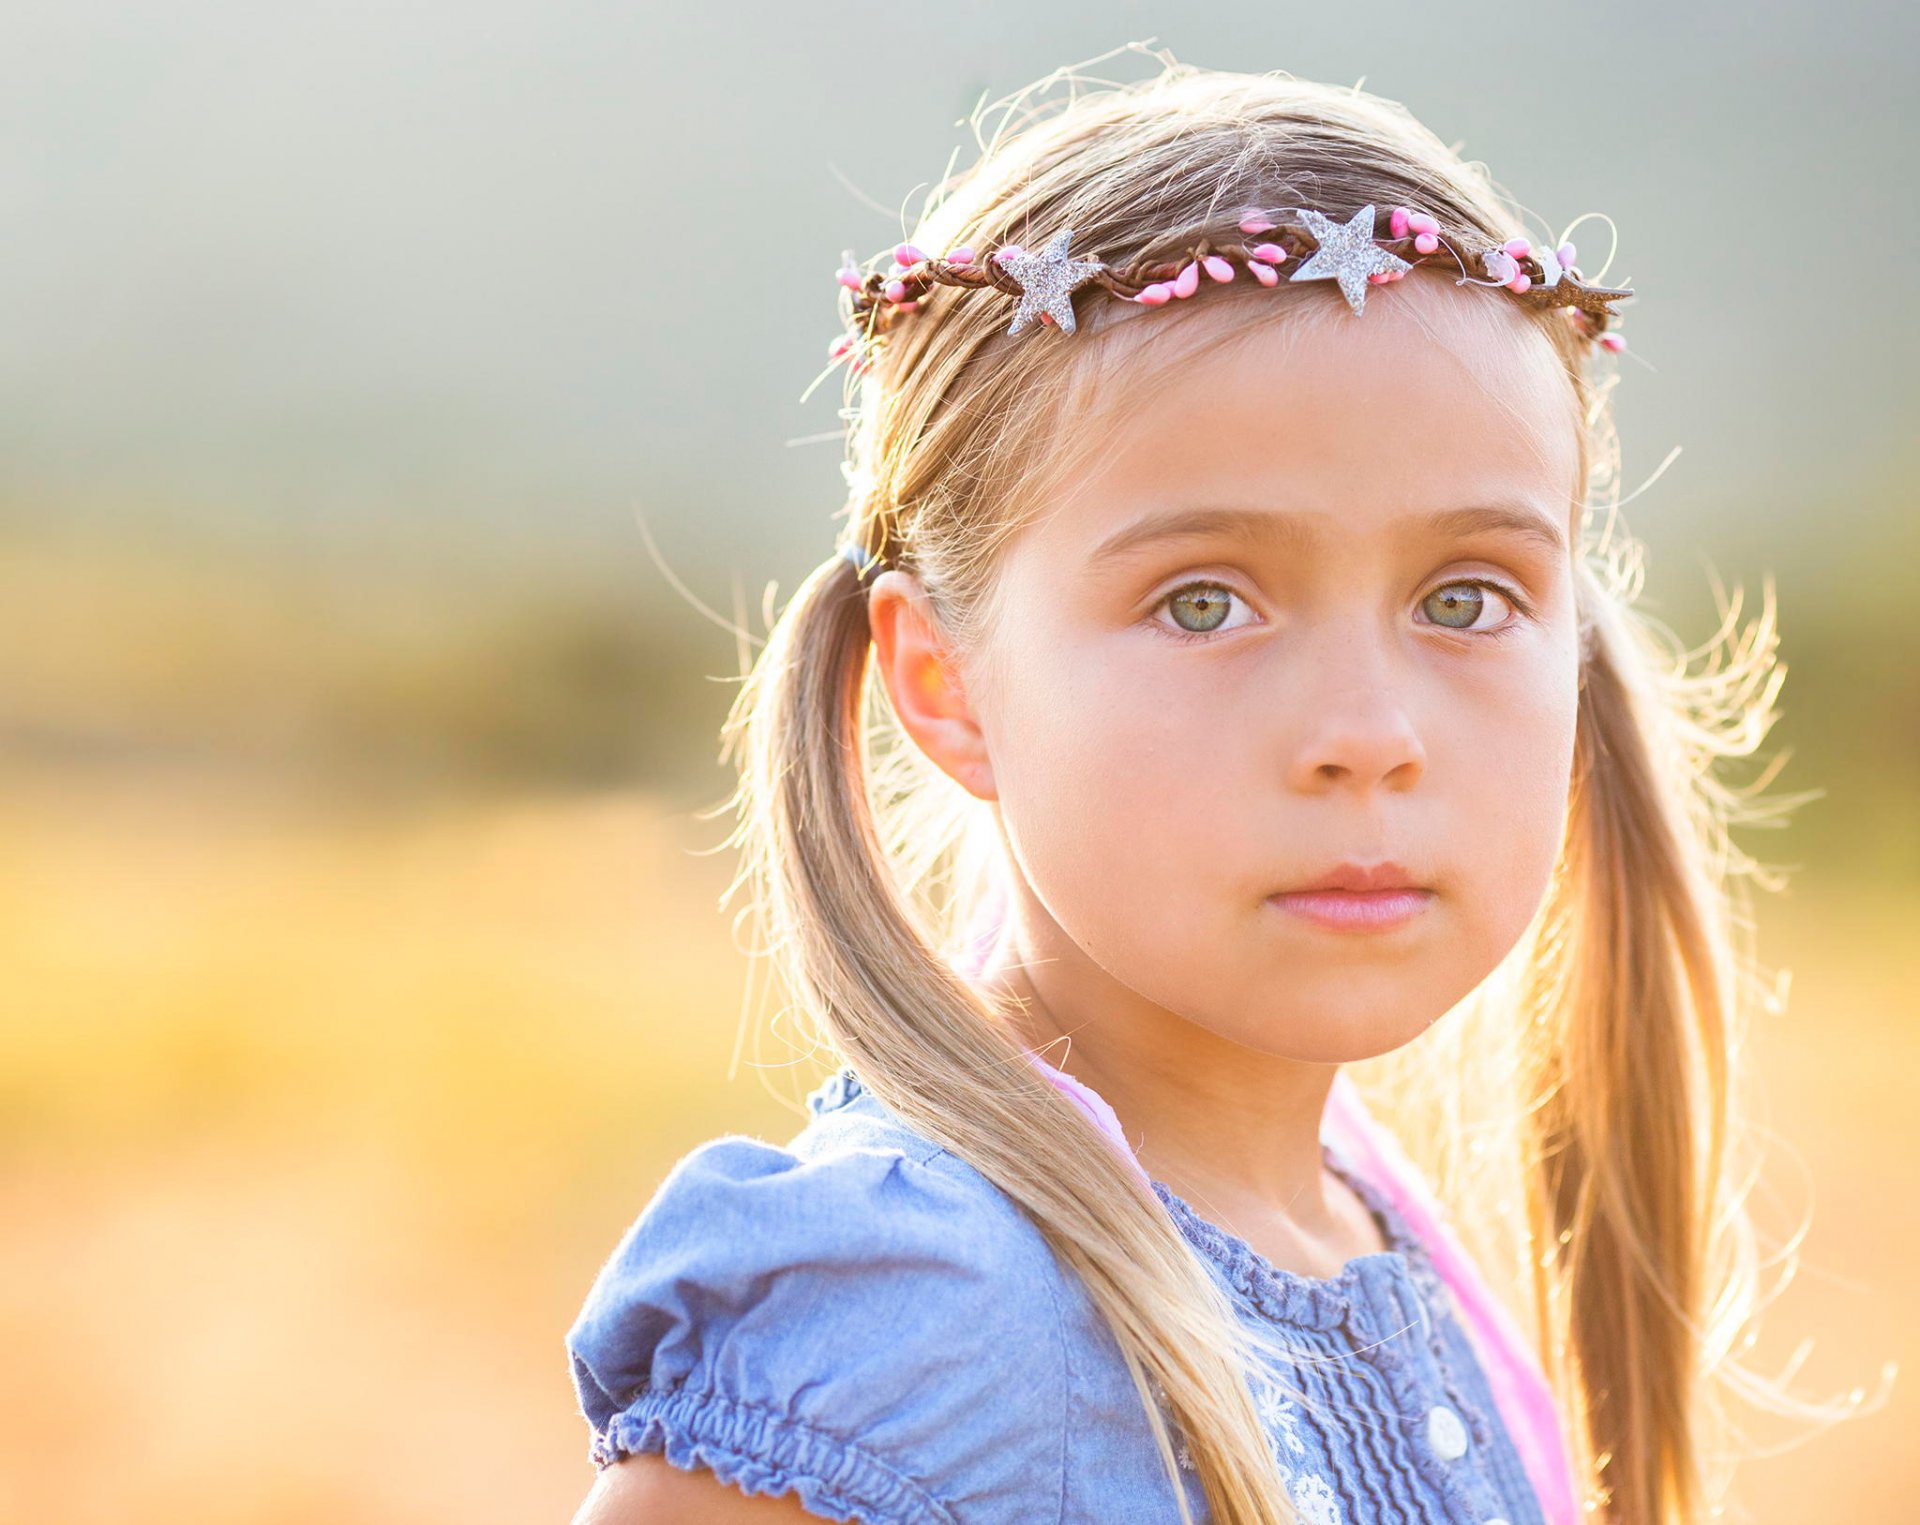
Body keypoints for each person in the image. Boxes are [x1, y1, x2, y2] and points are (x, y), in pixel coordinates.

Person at [563, 47, 1882, 1525]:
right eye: (1204, 601)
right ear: (944, 684)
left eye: (1464, 598)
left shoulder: (1376, 1234)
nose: (1367, 731)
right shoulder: (916, 1321)